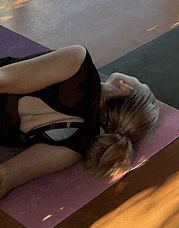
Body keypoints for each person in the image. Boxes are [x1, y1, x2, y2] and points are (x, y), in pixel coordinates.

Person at [0, 44, 159, 199]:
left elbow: (3, 78)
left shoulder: (78, 63)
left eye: (141, 82)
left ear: (125, 87)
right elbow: (6, 177)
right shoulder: (76, 147)